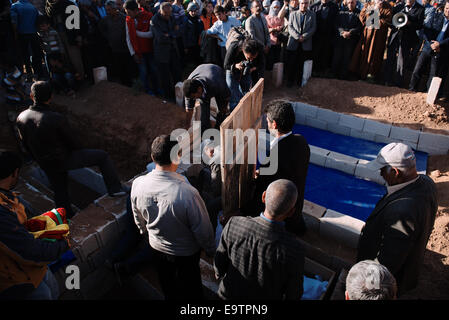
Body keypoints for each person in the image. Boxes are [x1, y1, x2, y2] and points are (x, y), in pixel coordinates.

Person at [16, 81, 128, 219]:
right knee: (102, 156)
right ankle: (115, 189)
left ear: (31, 96)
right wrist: (79, 153)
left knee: (59, 189)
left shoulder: (21, 117)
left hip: (44, 162)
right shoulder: (55, 118)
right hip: (63, 159)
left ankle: (67, 217)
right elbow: (73, 142)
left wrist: (38, 159)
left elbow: (25, 144)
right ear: (50, 97)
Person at [131, 135, 216, 300]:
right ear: (177, 157)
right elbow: (203, 229)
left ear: (152, 157)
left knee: (167, 285)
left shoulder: (138, 184)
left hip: (156, 247)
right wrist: (210, 250)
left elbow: (138, 217)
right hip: (185, 253)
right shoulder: (187, 193)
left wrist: (145, 233)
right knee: (192, 288)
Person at [358, 142, 438, 296]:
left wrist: (366, 287)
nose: (381, 174)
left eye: (382, 169)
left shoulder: (403, 212)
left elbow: (388, 261)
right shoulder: (427, 182)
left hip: (393, 280)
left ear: (395, 172)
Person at [214, 179, 305, 300]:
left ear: (263, 197)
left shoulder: (234, 224)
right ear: (291, 212)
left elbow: (219, 264)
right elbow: (294, 294)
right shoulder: (294, 250)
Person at [0, 150, 69, 300]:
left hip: (34, 269)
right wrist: (62, 245)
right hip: (16, 282)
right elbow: (28, 251)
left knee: (53, 289)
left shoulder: (8, 197)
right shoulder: (2, 213)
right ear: (15, 173)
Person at [245, 101, 309, 237]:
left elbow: (262, 194)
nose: (266, 125)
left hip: (281, 221)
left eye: (267, 121)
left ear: (274, 124)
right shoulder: (302, 142)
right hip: (295, 211)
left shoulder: (274, 156)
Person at [409, 1, 449, 95]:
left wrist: (439, 45)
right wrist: (431, 43)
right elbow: (426, 29)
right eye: (447, 8)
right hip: (428, 46)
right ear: (444, 8)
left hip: (440, 50)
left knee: (433, 74)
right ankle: (411, 90)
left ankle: (428, 94)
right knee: (417, 69)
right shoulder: (436, 16)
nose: (448, 10)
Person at [384, 0, 424, 87]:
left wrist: (409, 23)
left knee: (402, 60)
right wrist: (394, 23)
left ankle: (399, 83)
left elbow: (420, 25)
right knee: (390, 57)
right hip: (395, 35)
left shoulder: (420, 9)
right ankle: (387, 80)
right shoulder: (399, 6)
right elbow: (391, 20)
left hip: (407, 37)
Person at [349, 0, 393, 81]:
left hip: (379, 36)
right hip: (367, 35)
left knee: (375, 55)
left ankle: (371, 75)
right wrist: (374, 10)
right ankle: (359, 73)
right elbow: (362, 17)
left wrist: (375, 18)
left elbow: (388, 21)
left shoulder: (387, 6)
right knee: (363, 52)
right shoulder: (369, 4)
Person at [124, 0, 160, 95]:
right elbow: (128, 38)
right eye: (126, 13)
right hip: (138, 52)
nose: (128, 15)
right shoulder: (128, 20)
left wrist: (136, 33)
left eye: (129, 12)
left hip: (150, 50)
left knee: (154, 70)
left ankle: (157, 89)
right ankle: (148, 91)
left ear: (136, 10)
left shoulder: (148, 16)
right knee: (143, 73)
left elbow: (152, 34)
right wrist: (133, 53)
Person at [183, 63, 231, 133]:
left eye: (194, 97)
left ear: (199, 89)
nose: (193, 99)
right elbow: (189, 110)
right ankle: (205, 133)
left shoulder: (216, 83)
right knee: (204, 115)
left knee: (221, 112)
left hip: (216, 72)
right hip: (202, 71)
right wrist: (186, 128)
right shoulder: (189, 89)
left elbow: (226, 97)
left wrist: (223, 111)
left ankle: (218, 130)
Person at [151, 2, 183, 99]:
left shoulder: (171, 16)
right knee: (165, 77)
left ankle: (179, 95)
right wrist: (172, 34)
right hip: (161, 53)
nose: (168, 16)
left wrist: (168, 34)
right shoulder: (154, 20)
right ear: (160, 11)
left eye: (169, 14)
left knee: (177, 73)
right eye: (166, 14)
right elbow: (160, 38)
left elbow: (178, 31)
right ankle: (168, 97)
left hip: (172, 50)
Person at [99, 0, 135, 87]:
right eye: (106, 10)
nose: (107, 12)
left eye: (109, 10)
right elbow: (101, 29)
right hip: (115, 49)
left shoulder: (124, 18)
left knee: (128, 68)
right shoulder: (105, 20)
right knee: (119, 69)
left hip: (125, 48)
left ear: (115, 9)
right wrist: (109, 38)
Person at [224, 38, 265, 111]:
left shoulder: (259, 48)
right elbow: (226, 65)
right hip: (231, 69)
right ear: (243, 50)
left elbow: (261, 64)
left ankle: (245, 110)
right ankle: (234, 113)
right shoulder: (234, 47)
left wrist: (253, 68)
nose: (251, 60)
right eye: (249, 57)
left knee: (246, 93)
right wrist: (236, 66)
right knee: (233, 95)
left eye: (253, 58)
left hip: (247, 70)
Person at [285, 0, 316, 87]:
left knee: (301, 64)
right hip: (293, 43)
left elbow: (313, 28)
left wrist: (304, 37)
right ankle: (290, 81)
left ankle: (299, 82)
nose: (304, 5)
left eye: (306, 3)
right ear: (299, 4)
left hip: (305, 44)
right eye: (302, 3)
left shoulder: (312, 14)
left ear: (308, 4)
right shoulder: (293, 14)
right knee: (291, 63)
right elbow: (290, 27)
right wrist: (298, 37)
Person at [11, 0, 44, 80]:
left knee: (25, 54)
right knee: (36, 53)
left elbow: (14, 22)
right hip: (34, 34)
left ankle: (29, 73)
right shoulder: (32, 6)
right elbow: (39, 18)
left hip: (22, 34)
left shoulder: (14, 6)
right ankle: (38, 73)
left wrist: (14, 35)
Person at [331, 0, 362, 79]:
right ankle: (334, 74)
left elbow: (360, 26)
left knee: (347, 57)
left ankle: (343, 75)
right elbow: (336, 24)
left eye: (352, 2)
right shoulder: (341, 12)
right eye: (349, 2)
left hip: (351, 39)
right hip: (340, 38)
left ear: (356, 3)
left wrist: (350, 33)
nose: (350, 4)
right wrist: (342, 32)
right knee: (337, 56)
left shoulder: (360, 13)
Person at [310, 0, 339, 77]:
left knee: (326, 54)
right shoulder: (313, 6)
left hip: (329, 36)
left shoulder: (335, 7)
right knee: (315, 53)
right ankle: (314, 71)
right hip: (316, 36)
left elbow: (336, 21)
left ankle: (324, 71)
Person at [182, 2, 204, 66]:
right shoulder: (185, 20)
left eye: (195, 11)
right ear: (189, 11)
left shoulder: (199, 19)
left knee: (198, 60)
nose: (193, 13)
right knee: (190, 62)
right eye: (192, 11)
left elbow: (201, 30)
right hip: (190, 45)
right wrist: (185, 46)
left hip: (198, 43)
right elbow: (184, 34)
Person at [265, 1, 284, 70]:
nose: (276, 9)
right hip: (270, 42)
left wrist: (279, 28)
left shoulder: (281, 17)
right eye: (274, 7)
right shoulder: (267, 18)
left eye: (278, 7)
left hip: (278, 42)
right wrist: (275, 29)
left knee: (277, 60)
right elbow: (266, 29)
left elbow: (282, 27)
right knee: (270, 60)